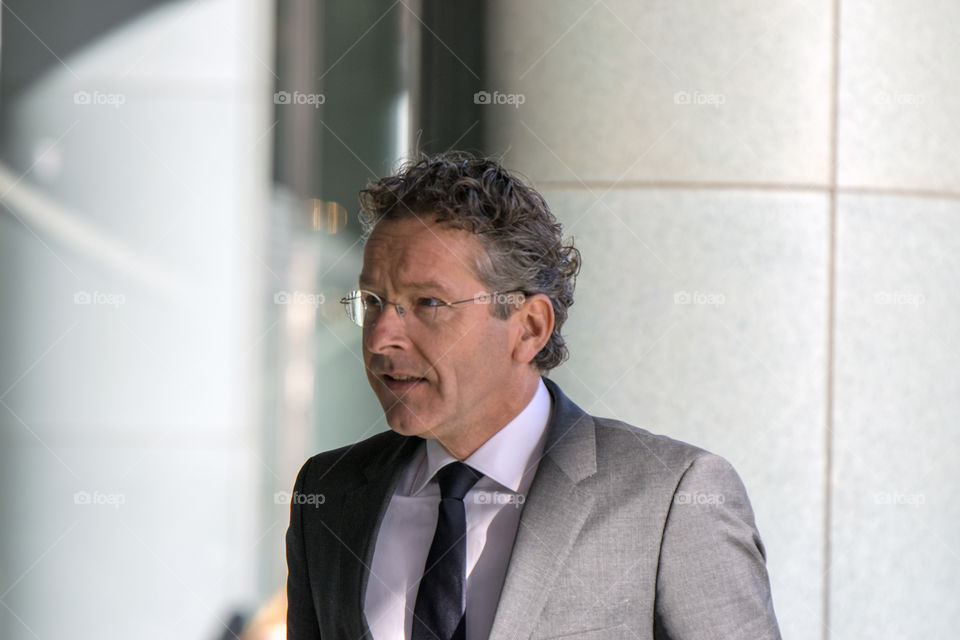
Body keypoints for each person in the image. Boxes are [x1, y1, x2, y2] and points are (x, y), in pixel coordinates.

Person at [285, 151, 781, 640]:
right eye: (373, 302)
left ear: (529, 328)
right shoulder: (328, 495)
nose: (380, 338)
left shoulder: (671, 499)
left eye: (428, 303)